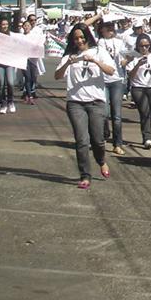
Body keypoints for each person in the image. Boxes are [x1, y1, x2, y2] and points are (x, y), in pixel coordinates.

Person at [55, 23, 115, 188]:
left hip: (96, 102)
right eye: (76, 38)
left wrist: (95, 61)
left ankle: (101, 161)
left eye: (82, 37)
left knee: (98, 140)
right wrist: (68, 63)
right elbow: (57, 76)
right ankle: (85, 175)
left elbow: (111, 71)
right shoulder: (69, 56)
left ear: (87, 36)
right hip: (76, 103)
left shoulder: (99, 51)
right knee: (81, 140)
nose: (79, 41)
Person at [96, 22, 128, 155]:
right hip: (102, 80)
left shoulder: (120, 42)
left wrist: (127, 60)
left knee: (117, 115)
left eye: (111, 29)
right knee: (104, 112)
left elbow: (126, 57)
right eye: (107, 29)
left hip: (117, 79)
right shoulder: (99, 43)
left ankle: (117, 143)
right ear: (101, 31)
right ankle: (104, 134)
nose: (110, 31)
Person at [0, 17, 16, 114]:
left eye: (6, 24)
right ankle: (3, 103)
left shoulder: (12, 36)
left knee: (10, 82)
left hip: (10, 62)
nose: (5, 26)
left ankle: (11, 101)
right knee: (1, 83)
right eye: (3, 24)